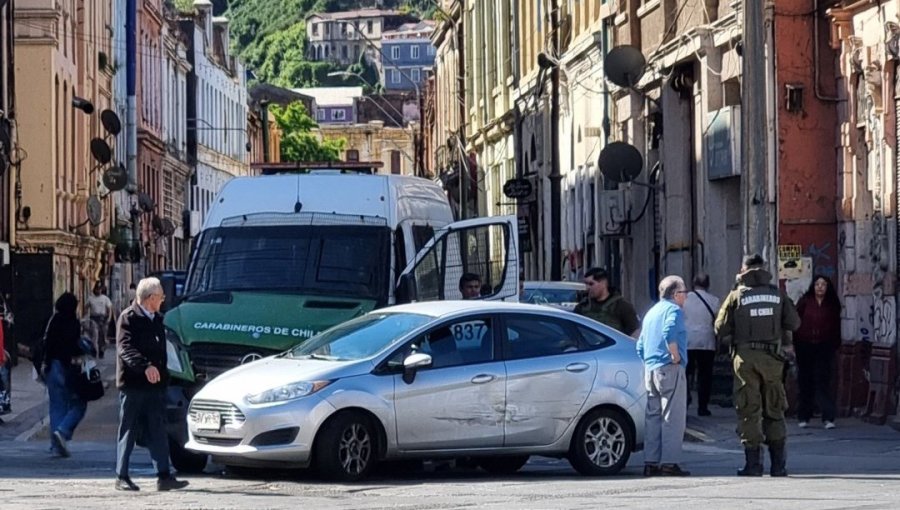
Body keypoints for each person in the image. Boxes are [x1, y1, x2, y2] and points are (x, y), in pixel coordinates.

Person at [715, 254, 801, 477]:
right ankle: (778, 466)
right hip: (772, 359)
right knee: (774, 408)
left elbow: (720, 328)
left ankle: (753, 465)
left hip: (745, 360)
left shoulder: (736, 296)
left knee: (749, 410)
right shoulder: (777, 294)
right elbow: (794, 322)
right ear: (763, 269)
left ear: (743, 270)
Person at [115, 277, 188, 492]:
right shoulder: (128, 318)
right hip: (134, 384)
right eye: (160, 297)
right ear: (150, 298)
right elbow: (124, 348)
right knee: (129, 429)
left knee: (158, 429)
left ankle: (164, 476)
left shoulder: (157, 319)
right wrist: (145, 366)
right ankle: (122, 475)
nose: (163, 301)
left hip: (155, 386)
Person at [636, 275, 691, 477]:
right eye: (684, 293)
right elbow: (669, 332)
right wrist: (674, 356)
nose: (685, 297)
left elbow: (640, 345)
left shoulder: (651, 312)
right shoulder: (674, 310)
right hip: (669, 367)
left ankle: (650, 461)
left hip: (650, 368)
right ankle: (669, 463)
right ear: (676, 294)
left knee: (652, 417)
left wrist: (648, 362)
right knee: (672, 417)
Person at [794, 275, 841, 430]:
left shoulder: (832, 304)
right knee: (805, 381)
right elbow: (796, 323)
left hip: (824, 347)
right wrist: (795, 343)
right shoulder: (805, 302)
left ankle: (828, 417)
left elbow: (836, 326)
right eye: (817, 284)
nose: (820, 287)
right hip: (805, 346)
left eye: (823, 284)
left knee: (824, 381)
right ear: (813, 287)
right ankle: (804, 416)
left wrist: (835, 345)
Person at [44, 292, 88, 458]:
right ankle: (63, 431)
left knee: (56, 405)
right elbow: (73, 346)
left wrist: (46, 364)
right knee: (78, 404)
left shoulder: (53, 320)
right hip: (67, 365)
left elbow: (47, 343)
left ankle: (55, 444)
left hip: (52, 365)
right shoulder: (73, 322)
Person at [683, 273, 721, 416]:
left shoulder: (685, 300)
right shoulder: (714, 301)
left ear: (693, 284)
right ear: (708, 285)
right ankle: (703, 406)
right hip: (707, 341)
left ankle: (685, 400)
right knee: (705, 375)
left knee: (686, 374)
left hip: (688, 341)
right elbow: (718, 321)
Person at [574, 267, 640, 337]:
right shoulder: (582, 307)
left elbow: (635, 333)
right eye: (586, 284)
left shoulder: (622, 306)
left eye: (591, 284)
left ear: (603, 283)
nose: (587, 288)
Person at [87, 284, 113, 359]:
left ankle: (102, 350)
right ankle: (94, 350)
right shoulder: (90, 298)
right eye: (96, 289)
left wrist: (109, 318)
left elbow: (109, 309)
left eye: (99, 289)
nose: (98, 291)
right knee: (95, 336)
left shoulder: (105, 299)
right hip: (93, 318)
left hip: (102, 319)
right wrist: (85, 317)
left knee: (102, 336)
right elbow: (86, 308)